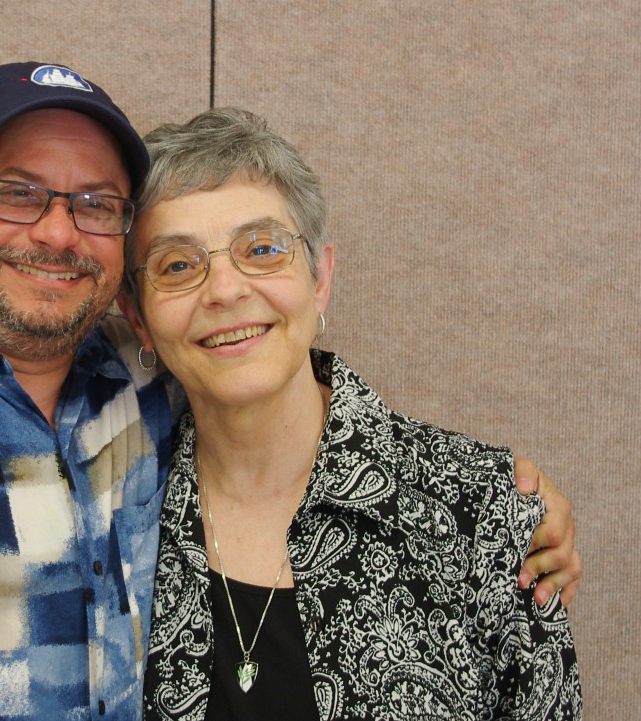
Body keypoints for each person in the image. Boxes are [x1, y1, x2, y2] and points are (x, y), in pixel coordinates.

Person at [0, 64, 578, 721]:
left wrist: (493, 493)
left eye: (92, 202)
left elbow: (255, 356)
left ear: (322, 273)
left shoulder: (133, 391)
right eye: (17, 193)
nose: (55, 229)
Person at [118, 107, 581, 720]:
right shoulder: (111, 513)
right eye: (178, 265)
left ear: (320, 279)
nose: (225, 290)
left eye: (261, 249)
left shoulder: (487, 513)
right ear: (137, 316)